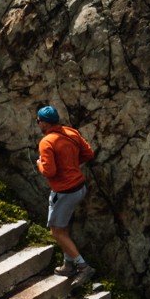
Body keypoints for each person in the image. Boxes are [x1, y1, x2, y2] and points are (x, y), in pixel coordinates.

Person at [35, 104, 96, 289]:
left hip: (64, 192)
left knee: (56, 230)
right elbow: (88, 153)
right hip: (79, 187)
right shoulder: (70, 132)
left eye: (39, 121)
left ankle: (83, 267)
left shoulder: (47, 142)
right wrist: (70, 165)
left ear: (44, 123)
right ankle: (68, 264)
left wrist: (39, 164)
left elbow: (50, 171)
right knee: (63, 227)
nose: (38, 124)